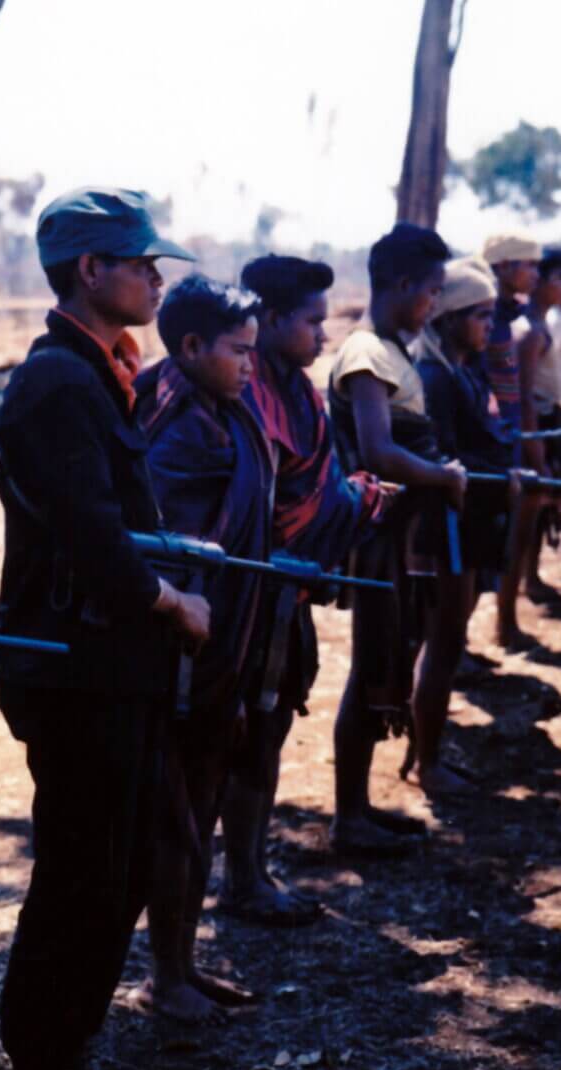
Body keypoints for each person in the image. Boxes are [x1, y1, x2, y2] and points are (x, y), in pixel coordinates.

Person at [0, 187, 208, 1070]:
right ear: (91, 271)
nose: (157, 280)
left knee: (117, 871)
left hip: (110, 668)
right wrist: (173, 603)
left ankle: (63, 1039)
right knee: (84, 870)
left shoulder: (98, 373)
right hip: (75, 670)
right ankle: (43, 1050)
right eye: (141, 263)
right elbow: (94, 542)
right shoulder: (57, 381)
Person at [220, 254, 406, 919]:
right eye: (310, 322)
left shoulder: (299, 390)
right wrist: (344, 505)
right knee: (246, 738)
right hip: (250, 597)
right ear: (268, 320)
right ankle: (242, 880)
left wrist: (351, 501)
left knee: (267, 731)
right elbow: (259, 504)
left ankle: (251, 870)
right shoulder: (246, 394)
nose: (322, 337)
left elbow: (312, 488)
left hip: (286, 592)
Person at [132, 274, 269, 1022]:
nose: (251, 366)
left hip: (225, 647)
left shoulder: (223, 411)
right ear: (190, 347)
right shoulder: (178, 424)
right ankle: (164, 973)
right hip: (183, 653)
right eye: (239, 351)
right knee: (178, 818)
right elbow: (175, 548)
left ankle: (182, 961)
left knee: (205, 805)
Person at [324, 224, 478, 807]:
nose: (434, 304)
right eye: (431, 291)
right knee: (370, 669)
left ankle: (359, 810)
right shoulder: (366, 353)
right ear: (401, 283)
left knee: (387, 660)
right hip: (379, 537)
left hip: (405, 534)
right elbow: (377, 451)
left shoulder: (396, 352)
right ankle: (349, 813)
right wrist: (442, 475)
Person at [411, 259, 522, 790]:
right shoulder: (436, 380)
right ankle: (427, 762)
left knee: (449, 644)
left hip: (472, 522)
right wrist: (499, 480)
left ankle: (426, 750)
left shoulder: (464, 371)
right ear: (451, 318)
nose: (487, 326)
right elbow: (444, 459)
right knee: (444, 643)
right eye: (479, 315)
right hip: (447, 528)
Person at [495, 245, 561, 645]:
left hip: (544, 426)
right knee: (519, 528)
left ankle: (515, 605)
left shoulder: (540, 326)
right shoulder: (526, 332)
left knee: (531, 525)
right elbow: (521, 396)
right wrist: (536, 454)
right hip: (531, 430)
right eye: (555, 277)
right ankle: (504, 622)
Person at [479, 233, 542, 443]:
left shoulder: (512, 313)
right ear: (504, 266)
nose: (536, 274)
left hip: (509, 431)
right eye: (530, 266)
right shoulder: (481, 316)